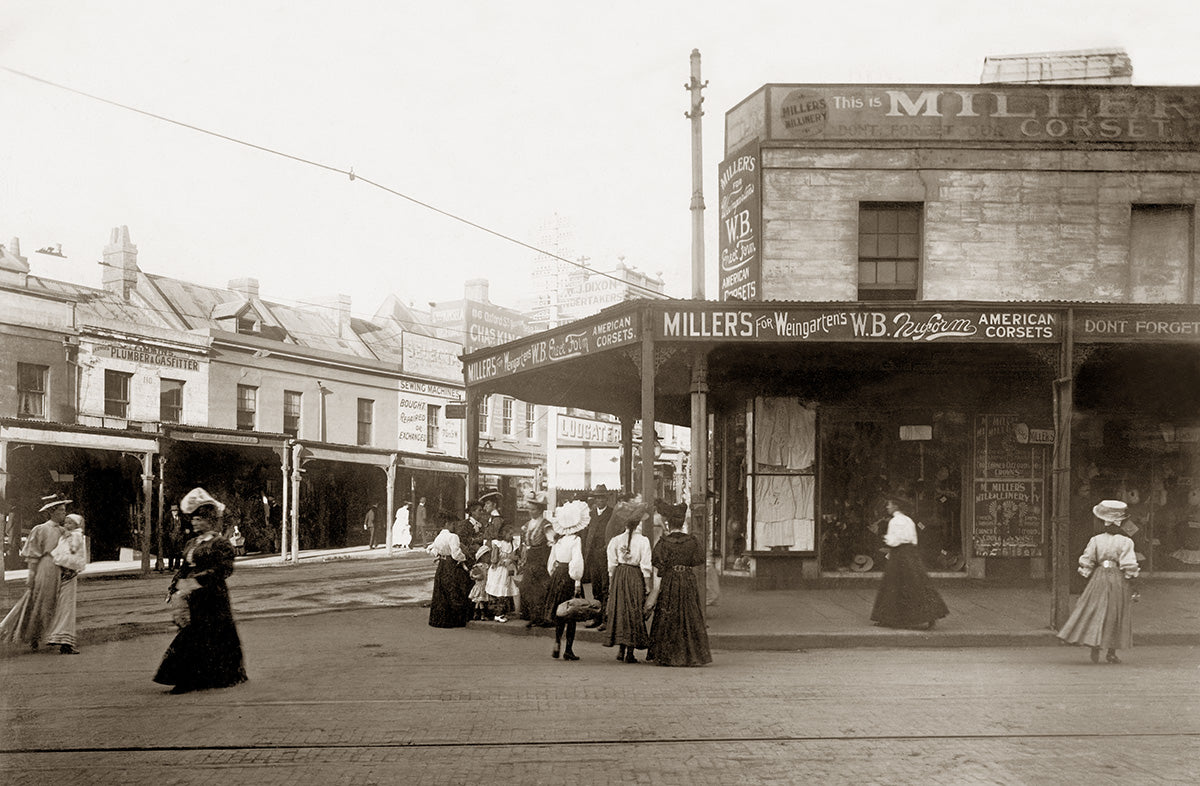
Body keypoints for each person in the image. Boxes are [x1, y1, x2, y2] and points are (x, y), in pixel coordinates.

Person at [154, 488, 247, 694]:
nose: (194, 523)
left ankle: (199, 679)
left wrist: (199, 580)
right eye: (193, 519)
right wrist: (174, 586)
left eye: (198, 519)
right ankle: (191, 677)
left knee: (210, 636)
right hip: (193, 596)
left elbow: (224, 569)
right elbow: (185, 568)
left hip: (212, 596)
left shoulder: (220, 543)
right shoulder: (191, 543)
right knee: (193, 634)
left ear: (208, 521)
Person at [1057, 499, 1140, 664]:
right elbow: (1128, 564)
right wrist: (1132, 580)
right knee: (1115, 613)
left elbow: (1087, 560)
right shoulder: (1126, 542)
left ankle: (1095, 646)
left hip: (1099, 576)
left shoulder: (1096, 540)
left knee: (1095, 609)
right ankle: (1111, 652)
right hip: (1117, 578)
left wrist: (1086, 575)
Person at [0, 494, 73, 652]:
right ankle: (33, 636)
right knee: (40, 602)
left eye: (64, 510)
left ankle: (51, 635)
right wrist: (31, 575)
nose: (64, 513)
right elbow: (33, 555)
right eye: (60, 510)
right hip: (45, 567)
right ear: (52, 512)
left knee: (56, 603)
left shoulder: (63, 531)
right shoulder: (40, 529)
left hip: (59, 567)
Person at [646, 503, 711, 667]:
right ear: (682, 523)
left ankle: (667, 655)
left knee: (668, 615)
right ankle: (691, 655)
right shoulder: (692, 541)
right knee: (689, 615)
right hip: (687, 580)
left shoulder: (663, 543)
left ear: (668, 523)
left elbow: (658, 564)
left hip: (670, 581)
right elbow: (699, 559)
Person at [870, 496, 949, 630]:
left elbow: (893, 541)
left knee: (892, 586)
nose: (887, 507)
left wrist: (884, 538)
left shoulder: (894, 521)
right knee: (917, 584)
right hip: (911, 554)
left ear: (896, 506)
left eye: (889, 505)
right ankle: (930, 614)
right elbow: (914, 539)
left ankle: (889, 618)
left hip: (898, 555)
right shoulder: (909, 520)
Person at [605, 499, 652, 663]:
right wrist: (647, 586)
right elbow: (646, 565)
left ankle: (621, 649)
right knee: (633, 611)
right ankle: (630, 652)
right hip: (634, 576)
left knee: (620, 611)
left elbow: (611, 564)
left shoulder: (616, 540)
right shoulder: (643, 541)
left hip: (619, 576)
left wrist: (612, 584)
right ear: (638, 522)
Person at [546, 499, 589, 661]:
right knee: (571, 614)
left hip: (558, 574)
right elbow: (577, 562)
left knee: (560, 613)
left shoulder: (558, 540)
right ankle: (568, 650)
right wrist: (577, 582)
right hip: (570, 577)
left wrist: (554, 576)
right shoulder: (576, 540)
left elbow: (550, 563)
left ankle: (557, 641)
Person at [44, 513, 88, 654]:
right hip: (65, 572)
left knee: (66, 606)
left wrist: (69, 566)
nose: (66, 525)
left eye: (70, 523)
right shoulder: (68, 535)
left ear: (76, 525)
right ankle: (62, 639)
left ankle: (63, 640)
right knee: (65, 606)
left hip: (68, 571)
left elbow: (74, 552)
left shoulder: (75, 536)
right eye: (66, 522)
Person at [426, 508, 475, 628]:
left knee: (442, 591)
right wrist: (465, 558)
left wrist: (440, 555)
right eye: (453, 524)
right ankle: (456, 619)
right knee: (456, 589)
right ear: (447, 524)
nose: (454, 526)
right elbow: (456, 554)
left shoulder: (439, 537)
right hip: (452, 565)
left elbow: (432, 550)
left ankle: (439, 619)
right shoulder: (453, 537)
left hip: (442, 565)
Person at [519, 494, 555, 628]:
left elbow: (552, 542)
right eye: (529, 509)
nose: (530, 512)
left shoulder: (546, 525)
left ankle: (543, 617)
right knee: (527, 587)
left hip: (542, 557)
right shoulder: (527, 525)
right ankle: (533, 616)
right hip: (531, 558)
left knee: (541, 589)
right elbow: (524, 544)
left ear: (540, 510)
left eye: (533, 509)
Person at [581, 484, 613, 629]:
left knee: (606, 587)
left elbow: (614, 533)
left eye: (603, 498)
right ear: (595, 500)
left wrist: (607, 548)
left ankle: (606, 619)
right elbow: (585, 534)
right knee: (596, 587)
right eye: (598, 498)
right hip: (592, 555)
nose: (600, 500)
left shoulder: (612, 514)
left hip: (605, 555)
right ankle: (596, 617)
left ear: (607, 499)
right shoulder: (591, 514)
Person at [484, 523, 519, 622]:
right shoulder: (498, 544)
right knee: (498, 591)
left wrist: (511, 560)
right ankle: (497, 614)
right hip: (498, 571)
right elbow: (494, 559)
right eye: (509, 534)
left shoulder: (512, 544)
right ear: (503, 533)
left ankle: (502, 612)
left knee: (505, 591)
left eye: (512, 534)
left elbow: (514, 556)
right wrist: (502, 561)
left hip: (507, 571)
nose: (511, 536)